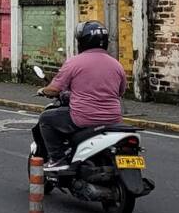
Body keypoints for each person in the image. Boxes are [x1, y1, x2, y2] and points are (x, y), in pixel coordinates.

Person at [36, 21, 127, 169]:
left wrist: (43, 90)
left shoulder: (74, 62)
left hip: (83, 118)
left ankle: (57, 159)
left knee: (46, 119)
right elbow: (121, 91)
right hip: (113, 119)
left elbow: (54, 89)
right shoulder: (116, 64)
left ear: (82, 41)